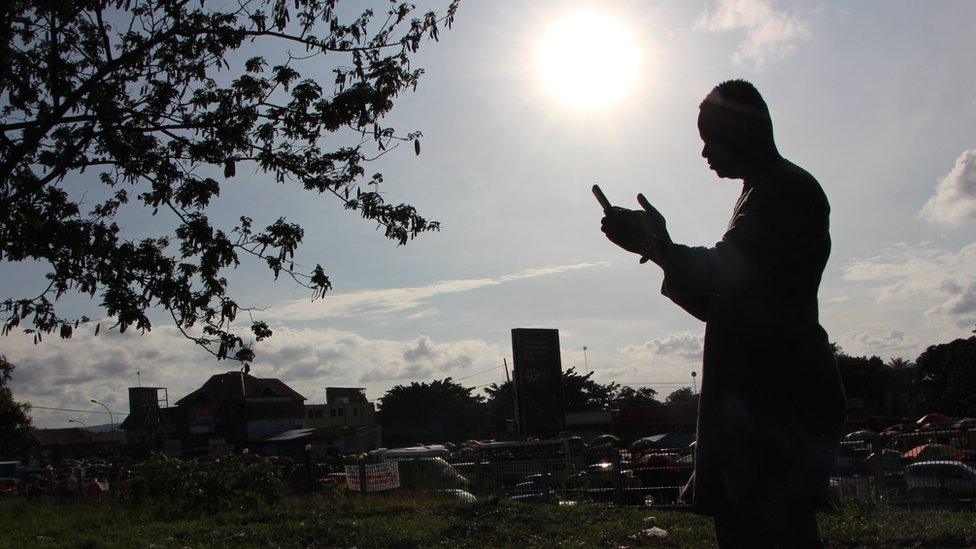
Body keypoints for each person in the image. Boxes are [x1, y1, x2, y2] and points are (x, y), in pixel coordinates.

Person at [600, 80, 846, 548]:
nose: (703, 153)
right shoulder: (763, 193)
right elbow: (722, 305)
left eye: (710, 138)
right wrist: (658, 249)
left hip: (777, 400)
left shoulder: (786, 189)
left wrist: (656, 244)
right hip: (758, 402)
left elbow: (725, 273)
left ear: (744, 132)